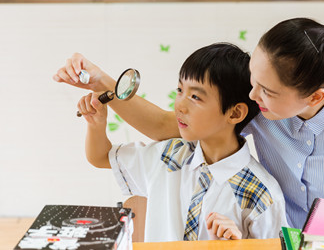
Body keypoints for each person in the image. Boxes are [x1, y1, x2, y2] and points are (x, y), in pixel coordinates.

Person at [54, 18, 324, 234]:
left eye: (267, 91)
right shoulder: (262, 107)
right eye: (253, 82)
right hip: (288, 241)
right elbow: (168, 125)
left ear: (314, 97)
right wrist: (101, 80)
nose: (253, 97)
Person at [75, 43, 287, 242]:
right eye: (179, 90)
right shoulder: (168, 156)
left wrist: (238, 245)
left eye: (195, 97)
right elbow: (100, 157)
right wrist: (96, 124)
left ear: (235, 113)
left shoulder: (262, 194)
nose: (180, 106)